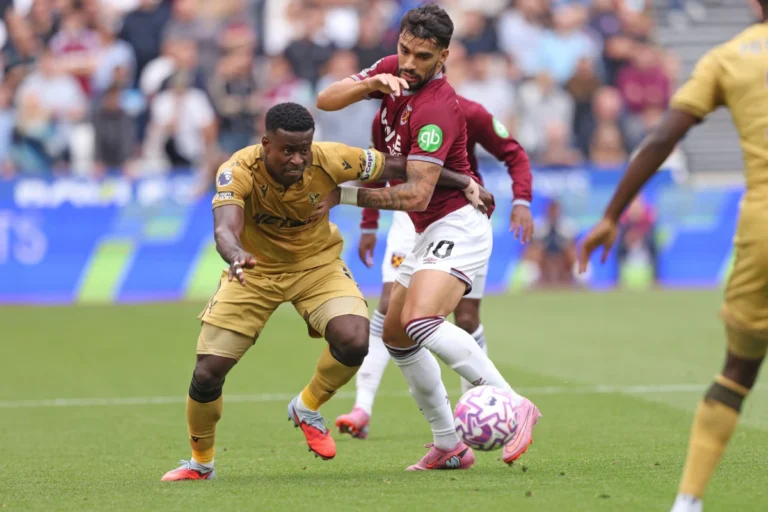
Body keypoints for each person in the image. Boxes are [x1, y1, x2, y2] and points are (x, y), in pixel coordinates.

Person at [160, 101, 492, 481]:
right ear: (266, 143)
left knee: (355, 339)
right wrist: (236, 255)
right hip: (254, 270)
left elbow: (403, 166)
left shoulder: (333, 158)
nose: (298, 160)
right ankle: (201, 463)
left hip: (316, 266)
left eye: (304, 150)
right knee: (207, 373)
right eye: (287, 150)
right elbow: (225, 230)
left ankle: (307, 406)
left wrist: (465, 181)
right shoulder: (237, 170)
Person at [316, 3, 541, 471]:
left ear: (444, 56)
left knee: (421, 320)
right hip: (424, 232)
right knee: (397, 337)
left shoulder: (438, 108)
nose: (410, 64)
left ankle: (513, 403)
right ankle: (449, 445)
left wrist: (345, 197)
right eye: (404, 52)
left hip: (457, 225)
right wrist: (369, 83)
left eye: (423, 56)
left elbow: (417, 194)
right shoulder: (390, 74)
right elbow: (326, 100)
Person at [578, 3, 768, 510]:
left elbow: (663, 136)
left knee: (738, 370)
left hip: (762, 228)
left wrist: (612, 214)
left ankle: (688, 501)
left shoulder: (729, 58)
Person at [334, 94, 534, 440]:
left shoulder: (469, 111)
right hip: (407, 221)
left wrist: (521, 200)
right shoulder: (385, 117)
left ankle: (482, 407)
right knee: (392, 314)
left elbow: (513, 153)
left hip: (458, 220)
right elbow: (379, 168)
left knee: (465, 319)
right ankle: (364, 407)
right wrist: (368, 225)